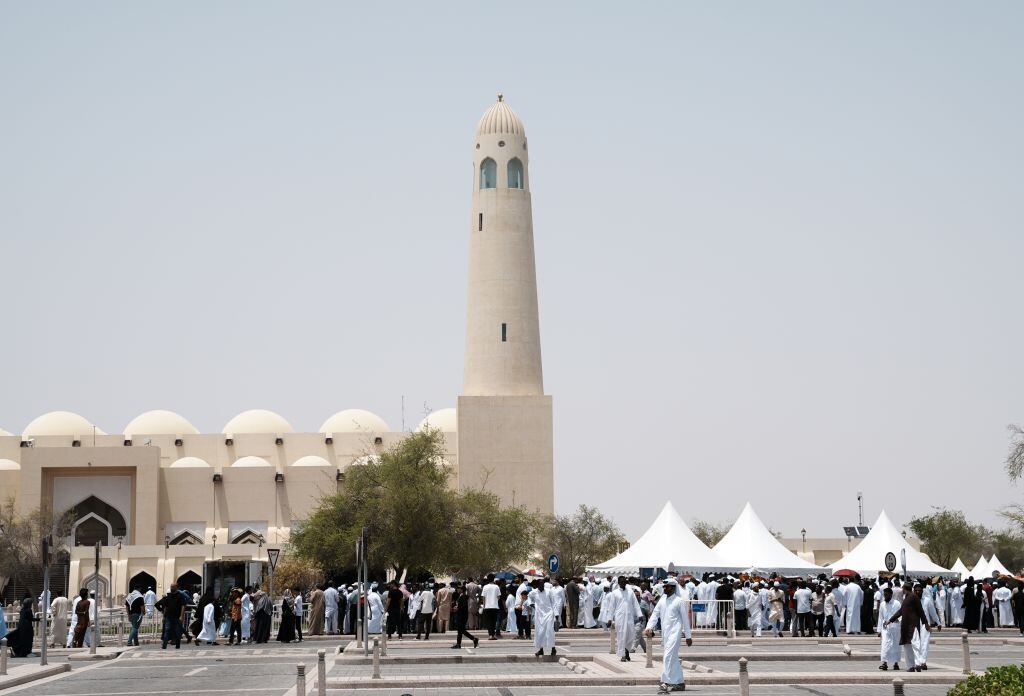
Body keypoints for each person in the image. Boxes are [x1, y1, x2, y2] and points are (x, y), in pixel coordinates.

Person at [644, 577, 692, 693]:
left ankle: (664, 682)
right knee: (673, 658)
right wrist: (649, 627)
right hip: (665, 634)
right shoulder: (662, 600)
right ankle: (680, 683)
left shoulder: (678, 601)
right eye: (664, 586)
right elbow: (655, 614)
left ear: (673, 588)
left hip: (675, 633)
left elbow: (685, 619)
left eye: (667, 587)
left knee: (668, 656)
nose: (664, 588)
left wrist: (688, 636)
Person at [883, 582, 925, 672]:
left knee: (915, 645)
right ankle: (911, 666)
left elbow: (921, 611)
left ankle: (918, 664)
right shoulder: (906, 598)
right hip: (906, 626)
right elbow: (901, 611)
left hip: (913, 626)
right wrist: (890, 620)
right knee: (907, 646)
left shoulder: (914, 597)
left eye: (903, 589)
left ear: (905, 589)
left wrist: (926, 623)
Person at [610, 576, 640, 661]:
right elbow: (611, 606)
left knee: (631, 635)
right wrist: (609, 618)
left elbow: (636, 604)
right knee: (621, 635)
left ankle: (626, 650)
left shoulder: (630, 592)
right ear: (619, 583)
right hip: (619, 617)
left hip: (629, 617)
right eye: (621, 582)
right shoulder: (615, 593)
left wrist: (639, 615)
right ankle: (623, 654)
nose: (623, 583)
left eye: (624, 582)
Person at [529, 578, 556, 657]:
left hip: (549, 614)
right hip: (539, 615)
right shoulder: (534, 592)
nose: (542, 586)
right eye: (540, 585)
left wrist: (556, 615)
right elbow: (529, 597)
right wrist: (532, 604)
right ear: (537, 585)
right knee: (539, 632)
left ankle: (553, 649)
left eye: (543, 585)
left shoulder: (548, 591)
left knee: (550, 631)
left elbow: (554, 602)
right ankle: (541, 650)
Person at [877, 587, 901, 670]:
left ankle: (896, 663)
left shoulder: (897, 603)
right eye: (884, 595)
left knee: (895, 645)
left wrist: (899, 620)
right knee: (885, 645)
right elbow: (880, 617)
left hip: (895, 627)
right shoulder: (882, 604)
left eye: (887, 595)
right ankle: (884, 663)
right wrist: (879, 630)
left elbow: (901, 614)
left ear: (891, 595)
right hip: (885, 628)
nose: (885, 597)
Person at [450, 584, 479, 649]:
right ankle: (458, 644)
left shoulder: (463, 597)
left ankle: (474, 639)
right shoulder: (461, 596)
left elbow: (464, 606)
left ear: (462, 590)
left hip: (462, 616)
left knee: (461, 630)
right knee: (460, 631)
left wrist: (457, 608)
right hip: (461, 615)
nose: (457, 589)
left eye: (459, 588)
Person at [481, 575, 501, 640]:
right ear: (493, 579)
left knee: (489, 622)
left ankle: (490, 635)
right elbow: (498, 597)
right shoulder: (496, 587)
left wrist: (484, 606)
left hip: (487, 607)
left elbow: (483, 597)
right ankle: (493, 635)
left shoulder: (485, 587)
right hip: (495, 606)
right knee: (494, 621)